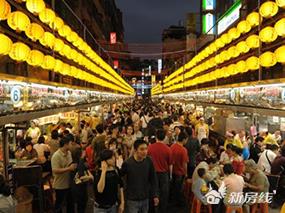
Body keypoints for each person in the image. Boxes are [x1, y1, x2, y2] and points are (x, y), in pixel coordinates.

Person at [120, 139, 159, 213]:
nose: (145, 152)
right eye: (141, 149)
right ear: (135, 150)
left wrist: (155, 195)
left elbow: (153, 179)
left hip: (145, 198)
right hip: (132, 199)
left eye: (146, 149)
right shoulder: (128, 163)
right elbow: (120, 178)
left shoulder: (149, 161)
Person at [148, 129, 173, 213]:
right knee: (164, 195)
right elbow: (170, 164)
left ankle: (152, 210)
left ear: (156, 136)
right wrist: (170, 176)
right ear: (164, 137)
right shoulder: (168, 149)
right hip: (163, 174)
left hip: (152, 173)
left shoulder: (150, 147)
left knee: (152, 193)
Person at [51, 137, 77, 213]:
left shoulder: (69, 153)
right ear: (66, 144)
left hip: (69, 183)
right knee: (59, 205)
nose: (72, 145)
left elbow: (70, 164)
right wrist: (69, 168)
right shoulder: (56, 156)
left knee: (70, 204)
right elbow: (55, 170)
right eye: (71, 144)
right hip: (60, 185)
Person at [71, 147, 93, 213]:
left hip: (76, 188)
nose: (84, 153)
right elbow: (81, 175)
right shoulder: (79, 163)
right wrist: (90, 177)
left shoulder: (73, 163)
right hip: (79, 188)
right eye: (83, 152)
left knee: (80, 206)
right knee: (81, 206)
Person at [170, 131, 189, 206]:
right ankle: (178, 204)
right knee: (179, 189)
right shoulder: (183, 150)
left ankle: (172, 202)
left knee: (173, 188)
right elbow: (185, 163)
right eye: (186, 139)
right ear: (184, 139)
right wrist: (186, 173)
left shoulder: (172, 146)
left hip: (173, 171)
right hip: (180, 172)